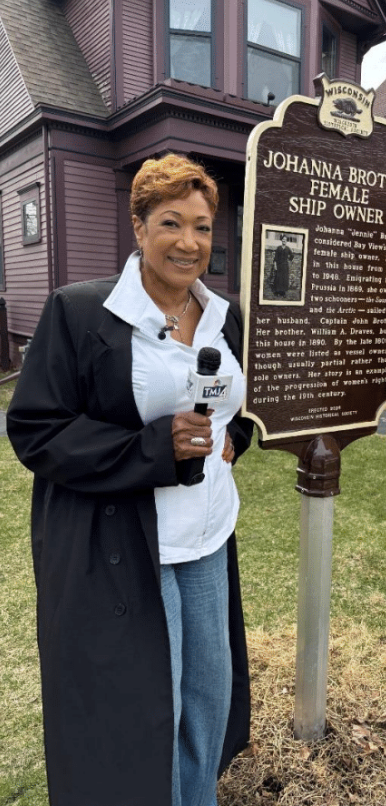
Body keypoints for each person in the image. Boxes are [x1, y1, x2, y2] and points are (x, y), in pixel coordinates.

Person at [7, 154, 254, 806]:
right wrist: (153, 447)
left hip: (207, 538)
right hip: (127, 545)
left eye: (203, 227)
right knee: (148, 711)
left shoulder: (224, 315)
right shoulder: (81, 314)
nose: (189, 242)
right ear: (139, 226)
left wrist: (234, 435)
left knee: (207, 698)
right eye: (171, 222)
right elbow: (35, 429)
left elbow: (231, 405)